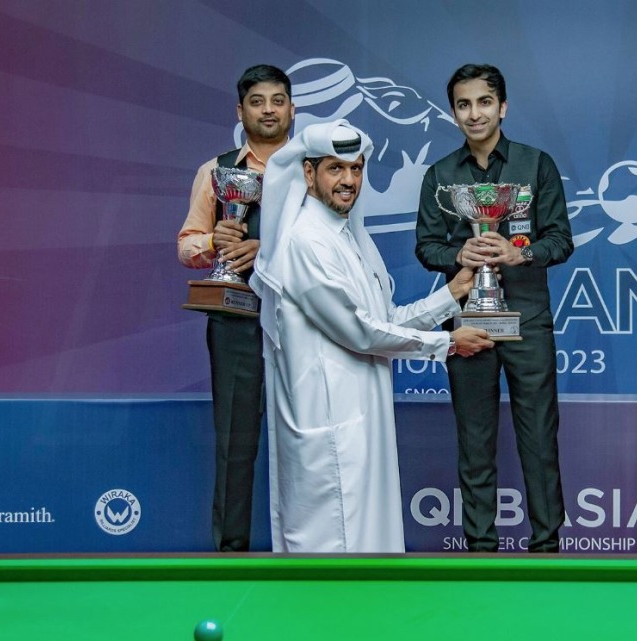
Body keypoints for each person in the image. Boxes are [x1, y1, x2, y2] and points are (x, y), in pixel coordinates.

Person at [249, 120, 493, 553]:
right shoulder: (306, 241)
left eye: (357, 169)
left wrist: (453, 294)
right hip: (326, 421)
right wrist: (448, 343)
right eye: (335, 169)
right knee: (328, 561)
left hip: (364, 418)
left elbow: (385, 319)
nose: (348, 181)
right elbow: (359, 331)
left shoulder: (351, 238)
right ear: (309, 174)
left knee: (368, 553)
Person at [414, 64, 573, 553]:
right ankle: (480, 550)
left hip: (527, 320)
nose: (474, 113)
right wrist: (459, 255)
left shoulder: (536, 164)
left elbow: (561, 240)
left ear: (502, 107)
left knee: (539, 438)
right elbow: (426, 247)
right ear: (453, 112)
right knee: (475, 440)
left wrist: (518, 252)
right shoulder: (440, 175)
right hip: (468, 323)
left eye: (484, 102)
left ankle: (547, 548)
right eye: (464, 104)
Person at [177, 64, 293, 552]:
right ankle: (229, 555)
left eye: (278, 100)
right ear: (239, 110)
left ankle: (312, 553)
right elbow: (186, 245)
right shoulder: (216, 169)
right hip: (236, 316)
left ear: (292, 107)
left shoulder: (315, 168)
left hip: (302, 317)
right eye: (258, 101)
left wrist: (266, 249)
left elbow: (336, 243)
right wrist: (214, 238)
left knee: (306, 439)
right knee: (234, 443)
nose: (269, 109)